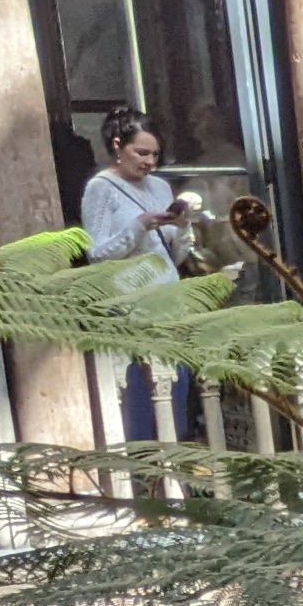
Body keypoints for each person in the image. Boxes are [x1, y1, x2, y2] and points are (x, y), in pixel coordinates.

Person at [83, 110, 198, 442]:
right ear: (118, 145)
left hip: (169, 306)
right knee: (142, 402)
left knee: (176, 395)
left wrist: (182, 227)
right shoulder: (101, 188)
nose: (150, 162)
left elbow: (173, 255)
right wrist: (138, 227)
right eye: (142, 152)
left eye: (155, 155)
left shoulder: (160, 187)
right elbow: (96, 254)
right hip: (130, 309)